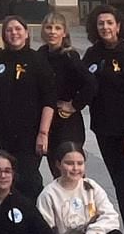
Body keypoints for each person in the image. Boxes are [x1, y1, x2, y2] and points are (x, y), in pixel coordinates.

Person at [84, 6, 124, 234]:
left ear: (118, 26)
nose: (105, 28)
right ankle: (123, 231)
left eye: (110, 23)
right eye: (101, 23)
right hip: (104, 129)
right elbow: (82, 83)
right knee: (118, 182)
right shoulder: (92, 54)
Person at [0, 17, 55, 196]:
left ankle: (33, 216)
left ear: (26, 33)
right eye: (9, 30)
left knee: (29, 178)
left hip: (31, 132)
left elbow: (49, 99)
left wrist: (43, 133)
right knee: (9, 176)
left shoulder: (37, 59)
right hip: (5, 131)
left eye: (18, 29)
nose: (14, 33)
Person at [39, 16, 96, 159]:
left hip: (66, 121)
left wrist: (75, 105)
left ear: (64, 33)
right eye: (49, 27)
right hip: (47, 119)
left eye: (57, 28)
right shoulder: (41, 53)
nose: (52, 32)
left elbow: (91, 83)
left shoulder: (70, 56)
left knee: (72, 165)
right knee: (55, 164)